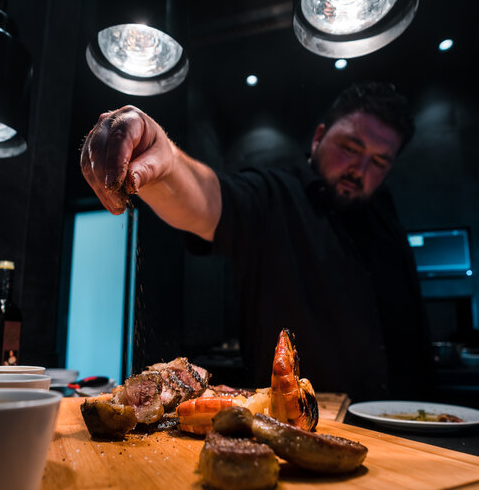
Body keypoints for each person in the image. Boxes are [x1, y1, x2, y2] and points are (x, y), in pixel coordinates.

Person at [81, 81, 436, 401]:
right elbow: (210, 201)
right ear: (318, 137)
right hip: (297, 430)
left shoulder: (384, 215)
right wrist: (167, 163)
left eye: (379, 162)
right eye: (350, 147)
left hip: (407, 427)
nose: (360, 169)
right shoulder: (273, 196)